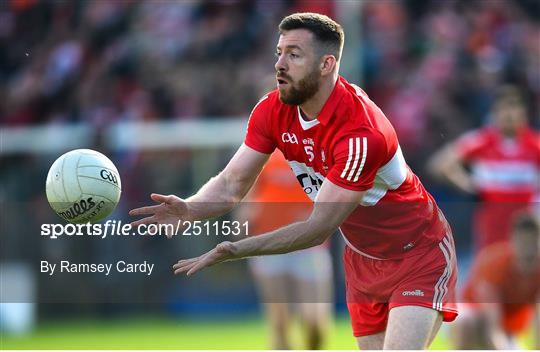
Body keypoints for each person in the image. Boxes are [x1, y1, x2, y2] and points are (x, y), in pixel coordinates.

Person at [130, 13, 457, 349]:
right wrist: (192, 209)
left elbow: (318, 227)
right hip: (362, 260)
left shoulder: (361, 134)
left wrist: (235, 249)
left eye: (294, 55)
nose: (280, 64)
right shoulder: (272, 110)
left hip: (417, 253)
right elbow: (231, 184)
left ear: (327, 64)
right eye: (279, 52)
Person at [429, 87, 540, 251]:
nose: (509, 114)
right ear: (495, 113)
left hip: (527, 239)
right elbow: (440, 164)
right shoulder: (481, 141)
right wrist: (468, 185)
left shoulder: (534, 144)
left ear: (524, 113)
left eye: (514, 107)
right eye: (503, 108)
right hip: (491, 237)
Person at [241, 151, 333, 349]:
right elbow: (249, 196)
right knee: (280, 322)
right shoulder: (263, 154)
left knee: (314, 322)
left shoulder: (315, 151)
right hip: (269, 244)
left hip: (309, 246)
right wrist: (246, 217)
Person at [453, 213, 540, 349]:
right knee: (467, 322)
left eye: (532, 242)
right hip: (477, 313)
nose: (527, 249)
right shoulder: (494, 264)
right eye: (523, 242)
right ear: (513, 240)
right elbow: (493, 325)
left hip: (509, 322)